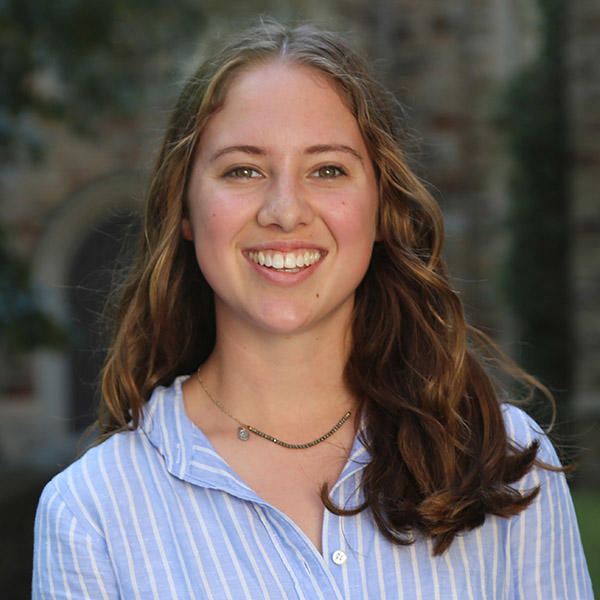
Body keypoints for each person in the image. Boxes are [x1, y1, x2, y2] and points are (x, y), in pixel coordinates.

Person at [32, 19, 593, 599]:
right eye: (243, 170)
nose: (285, 210)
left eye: (327, 170)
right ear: (184, 209)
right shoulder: (91, 512)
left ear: (381, 208)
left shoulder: (500, 464)